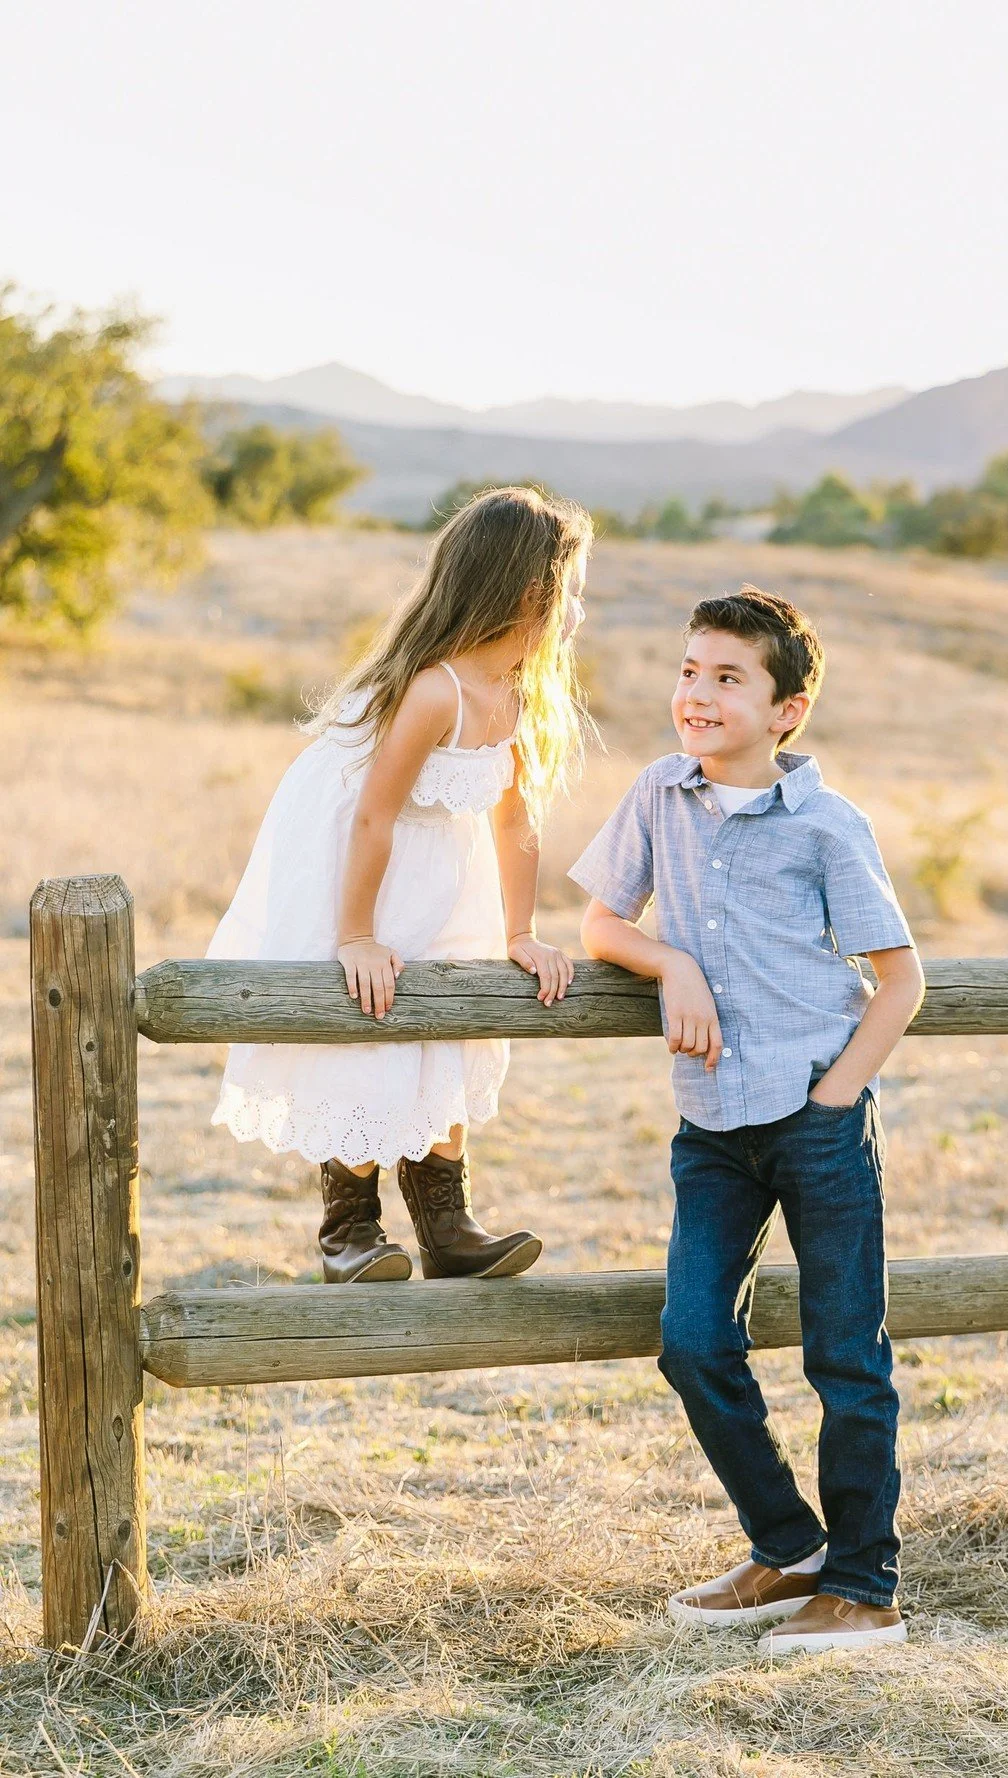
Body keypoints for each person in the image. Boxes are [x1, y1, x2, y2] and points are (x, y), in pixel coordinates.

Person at [570, 584, 925, 1655]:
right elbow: (599, 924)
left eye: (729, 677)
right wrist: (670, 961)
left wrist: (836, 1095)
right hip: (712, 1125)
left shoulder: (827, 824)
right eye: (690, 671)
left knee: (846, 1358)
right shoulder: (658, 793)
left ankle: (863, 1586)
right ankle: (790, 1545)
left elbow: (901, 981)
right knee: (691, 1341)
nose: (698, 694)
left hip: (817, 1119)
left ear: (786, 710)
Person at [208, 486, 589, 1284]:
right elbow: (373, 816)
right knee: (372, 1022)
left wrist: (520, 931)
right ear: (530, 592)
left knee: (449, 1025)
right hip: (364, 868)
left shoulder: (517, 690)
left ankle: (449, 1228)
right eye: (569, 592)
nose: (574, 611)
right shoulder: (434, 688)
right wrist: (356, 934)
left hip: (445, 872)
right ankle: (347, 1231)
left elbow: (515, 822)